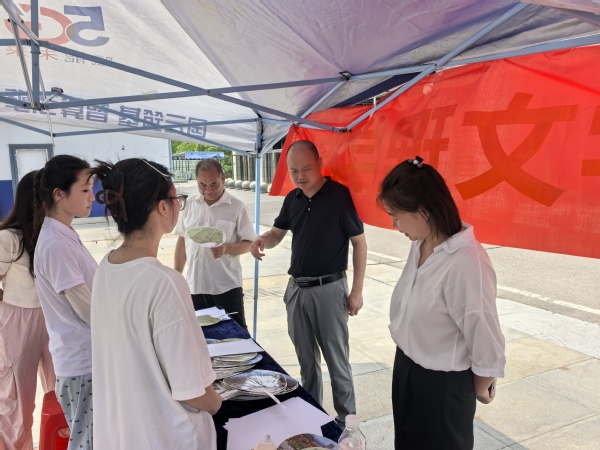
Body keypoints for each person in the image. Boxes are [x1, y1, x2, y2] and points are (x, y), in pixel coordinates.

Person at [91, 158, 221, 449]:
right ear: (163, 206)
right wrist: (216, 402)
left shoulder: (106, 267)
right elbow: (194, 391)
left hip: (121, 433)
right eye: (177, 199)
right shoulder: (164, 282)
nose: (178, 206)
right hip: (163, 435)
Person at [378, 156, 506, 450]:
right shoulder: (421, 243)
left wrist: (480, 386)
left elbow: (484, 331)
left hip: (441, 386)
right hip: (407, 367)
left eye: (396, 216)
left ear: (423, 212)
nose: (394, 225)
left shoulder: (467, 262)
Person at [250, 140, 367, 426]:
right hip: (296, 290)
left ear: (319, 163)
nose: (300, 176)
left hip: (329, 289)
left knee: (337, 361)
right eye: (294, 171)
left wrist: (357, 291)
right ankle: (312, 417)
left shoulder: (339, 196)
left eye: (306, 168)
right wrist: (263, 239)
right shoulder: (293, 199)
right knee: (306, 360)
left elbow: (359, 243)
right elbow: (277, 233)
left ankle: (346, 423)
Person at [33, 155, 97, 450]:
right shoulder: (56, 244)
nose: (91, 197)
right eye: (84, 190)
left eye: (91, 189)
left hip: (84, 357)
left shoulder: (63, 234)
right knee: (88, 442)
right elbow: (88, 311)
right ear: (59, 194)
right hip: (82, 361)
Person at [0, 171, 56, 450]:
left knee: (61, 389)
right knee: (17, 400)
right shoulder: (9, 238)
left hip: (54, 317)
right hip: (18, 320)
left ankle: (59, 442)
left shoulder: (56, 234)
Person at [174, 159, 255, 330]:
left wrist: (226, 248)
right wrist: (176, 275)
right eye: (202, 185)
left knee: (235, 335)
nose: (208, 190)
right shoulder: (189, 205)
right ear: (196, 180)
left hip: (226, 287)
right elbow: (182, 239)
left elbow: (250, 244)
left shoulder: (238, 207)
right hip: (195, 286)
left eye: (213, 184)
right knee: (201, 337)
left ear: (223, 179)